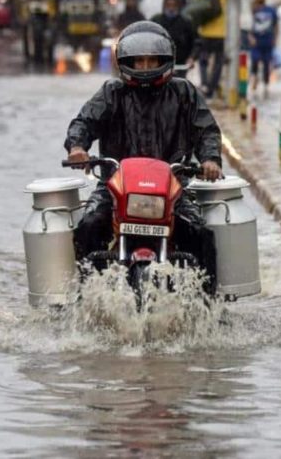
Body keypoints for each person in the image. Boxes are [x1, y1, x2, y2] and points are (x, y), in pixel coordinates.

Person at [64, 21, 224, 293]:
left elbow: (206, 130)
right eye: (139, 61)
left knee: (200, 233)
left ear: (165, 60)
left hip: (173, 187)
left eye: (153, 60)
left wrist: (210, 159)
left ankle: (208, 303)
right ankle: (84, 293)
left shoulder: (183, 92)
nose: (146, 66)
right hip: (115, 187)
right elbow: (84, 122)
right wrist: (77, 147)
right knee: (89, 225)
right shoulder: (111, 93)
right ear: (127, 62)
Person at [195, 0, 227, 99]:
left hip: (205, 33)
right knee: (218, 62)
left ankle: (204, 83)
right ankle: (212, 88)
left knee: (203, 60)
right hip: (220, 34)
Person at [151, 0, 197, 75]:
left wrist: (192, 57)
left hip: (181, 65)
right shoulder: (156, 20)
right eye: (168, 5)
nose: (171, 8)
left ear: (178, 7)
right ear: (164, 6)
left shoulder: (186, 22)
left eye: (174, 5)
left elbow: (196, 42)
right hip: (159, 65)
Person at [248, 0, 278, 96]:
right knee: (255, 60)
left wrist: (275, 38)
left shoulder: (271, 10)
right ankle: (254, 78)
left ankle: (266, 83)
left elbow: (275, 25)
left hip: (267, 41)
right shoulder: (253, 9)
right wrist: (250, 36)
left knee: (266, 63)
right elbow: (248, 24)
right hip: (256, 41)